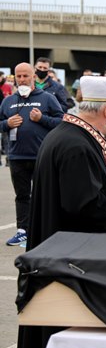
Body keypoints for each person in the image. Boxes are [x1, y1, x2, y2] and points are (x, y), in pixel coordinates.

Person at [15, 74, 106, 348]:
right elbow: (90, 210)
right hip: (70, 270)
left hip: (58, 257)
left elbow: (81, 190)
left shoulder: (69, 135)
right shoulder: (76, 145)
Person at [0, 62, 63, 246]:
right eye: (18, 76)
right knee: (22, 195)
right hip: (16, 157)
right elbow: (0, 122)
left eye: (25, 75)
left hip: (41, 155)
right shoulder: (8, 101)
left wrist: (41, 118)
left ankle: (46, 231)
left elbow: (62, 122)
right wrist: (7, 124)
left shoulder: (47, 98)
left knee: (44, 195)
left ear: (33, 76)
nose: (22, 79)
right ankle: (22, 231)